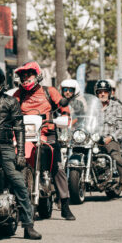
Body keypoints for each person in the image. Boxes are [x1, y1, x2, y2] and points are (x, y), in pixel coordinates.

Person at [0, 66, 42, 239]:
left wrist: (20, 154)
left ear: (0, 84)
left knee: (17, 179)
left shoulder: (11, 102)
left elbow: (19, 128)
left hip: (4, 146)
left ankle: (28, 225)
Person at [11, 61, 74, 221]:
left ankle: (65, 205)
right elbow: (9, 111)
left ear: (37, 75)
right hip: (23, 136)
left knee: (58, 168)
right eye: (23, 76)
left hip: (48, 134)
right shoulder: (18, 95)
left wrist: (64, 117)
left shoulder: (49, 91)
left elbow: (63, 107)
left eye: (28, 75)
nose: (25, 78)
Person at [95, 80, 122, 201]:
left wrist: (110, 138)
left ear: (109, 93)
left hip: (110, 139)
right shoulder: (92, 107)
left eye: (105, 92)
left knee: (116, 158)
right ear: (96, 93)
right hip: (93, 139)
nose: (102, 94)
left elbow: (121, 128)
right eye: (100, 92)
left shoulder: (116, 106)